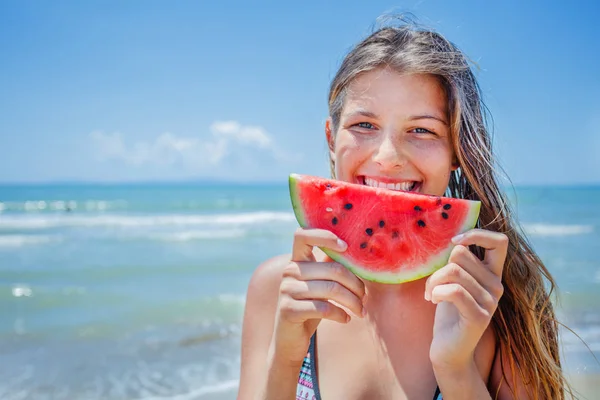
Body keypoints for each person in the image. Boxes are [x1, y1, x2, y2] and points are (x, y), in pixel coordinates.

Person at [238, 17, 572, 400]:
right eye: (364, 124)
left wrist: (456, 368)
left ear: (457, 154)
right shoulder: (276, 290)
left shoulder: (506, 304)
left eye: (422, 130)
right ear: (331, 139)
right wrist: (285, 358)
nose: (388, 157)